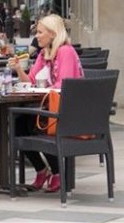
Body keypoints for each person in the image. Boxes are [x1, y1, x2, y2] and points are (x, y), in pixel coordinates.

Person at [7, 14, 83, 193]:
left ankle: (57, 171)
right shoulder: (44, 53)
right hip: (49, 106)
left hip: (68, 111)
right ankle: (42, 170)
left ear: (53, 33)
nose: (37, 36)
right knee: (18, 124)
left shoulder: (65, 51)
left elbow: (64, 84)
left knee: (35, 125)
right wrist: (19, 69)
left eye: (40, 32)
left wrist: (41, 90)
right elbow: (31, 80)